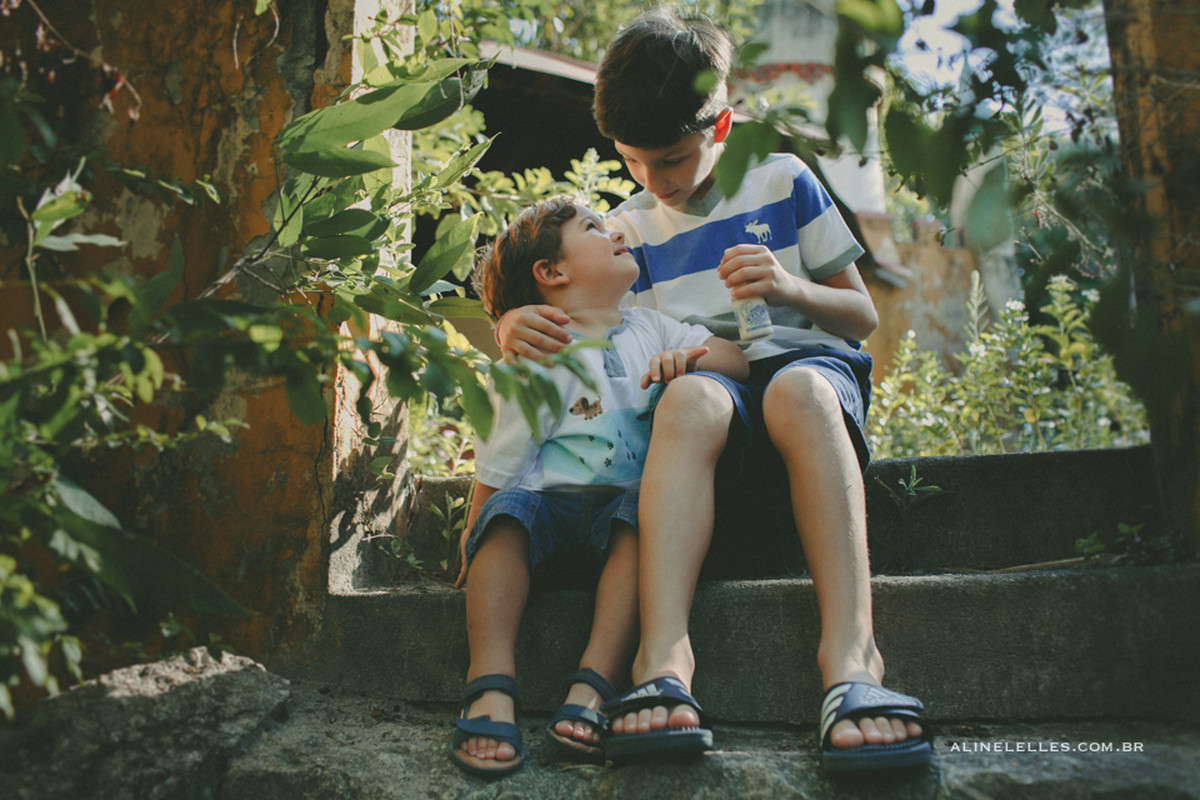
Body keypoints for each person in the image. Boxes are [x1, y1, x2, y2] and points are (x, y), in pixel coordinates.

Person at [495, 7, 932, 772]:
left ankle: (853, 666)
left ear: (722, 122)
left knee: (794, 387)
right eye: (633, 162)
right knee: (690, 394)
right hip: (710, 420)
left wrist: (792, 283)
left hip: (809, 389)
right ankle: (662, 664)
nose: (652, 182)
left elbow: (860, 314)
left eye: (670, 159)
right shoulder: (630, 226)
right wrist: (512, 325)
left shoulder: (783, 178)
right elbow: (597, 322)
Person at [450, 195, 748, 777]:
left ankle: (592, 686)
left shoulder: (653, 325)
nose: (613, 231)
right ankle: (490, 683)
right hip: (548, 508)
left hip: (623, 515)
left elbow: (737, 358)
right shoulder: (537, 350)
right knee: (504, 520)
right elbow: (502, 455)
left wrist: (692, 358)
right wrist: (474, 527)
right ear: (552, 273)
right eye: (593, 228)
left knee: (644, 527)